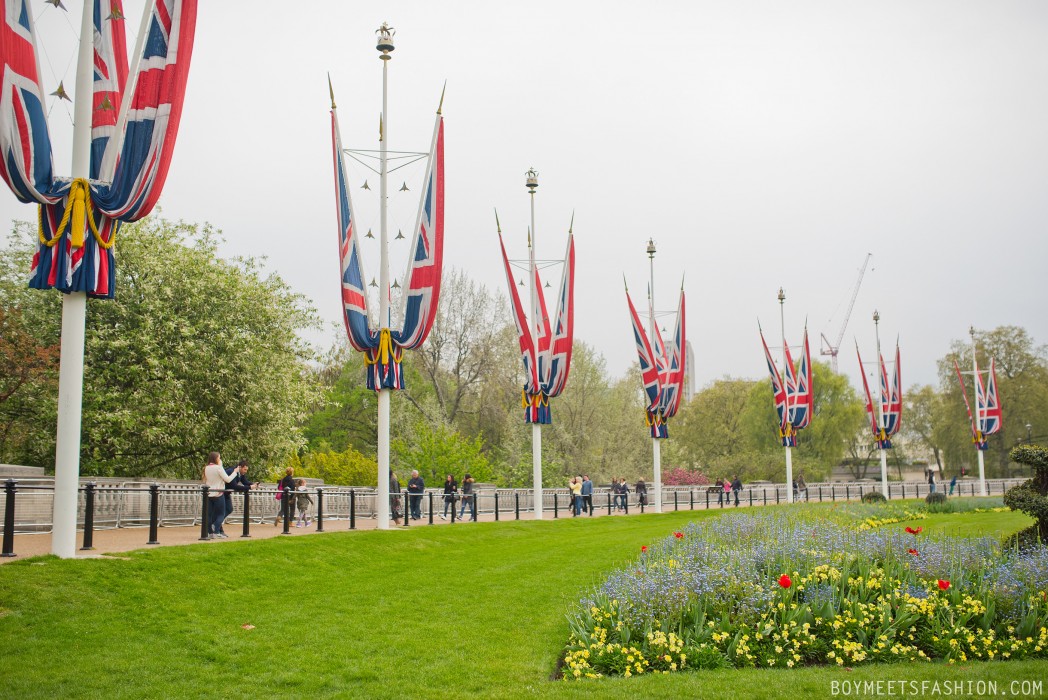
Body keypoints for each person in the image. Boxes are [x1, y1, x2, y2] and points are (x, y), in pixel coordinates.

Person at [202, 452, 235, 539]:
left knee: (209, 514)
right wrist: (234, 472)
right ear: (216, 459)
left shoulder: (206, 468)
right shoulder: (218, 468)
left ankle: (210, 532)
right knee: (221, 513)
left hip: (209, 493)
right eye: (219, 458)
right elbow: (227, 479)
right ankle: (216, 529)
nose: (220, 459)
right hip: (218, 493)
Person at [225, 459, 255, 524]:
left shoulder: (240, 473)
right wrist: (249, 487)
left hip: (226, 493)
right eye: (245, 469)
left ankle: (216, 526)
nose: (246, 471)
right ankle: (216, 526)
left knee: (228, 509)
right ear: (240, 467)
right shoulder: (232, 471)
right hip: (221, 493)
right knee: (223, 511)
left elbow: (245, 481)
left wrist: (253, 484)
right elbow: (234, 486)